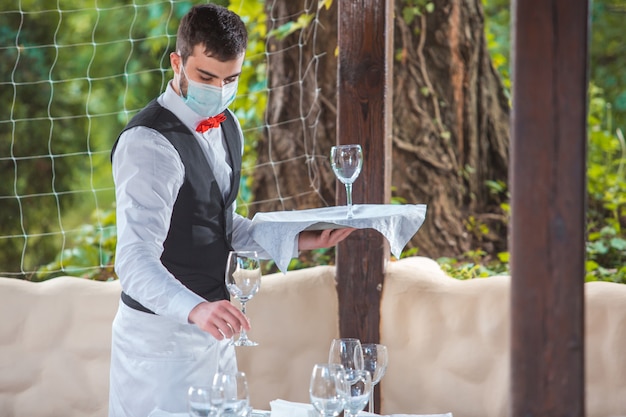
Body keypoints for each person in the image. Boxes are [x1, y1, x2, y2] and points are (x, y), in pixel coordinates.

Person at [108, 4, 353, 416]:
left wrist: (297, 238)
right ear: (177, 62)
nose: (219, 90)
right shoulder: (147, 144)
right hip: (160, 343)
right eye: (206, 77)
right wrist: (197, 308)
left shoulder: (228, 126)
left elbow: (219, 226)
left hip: (215, 336)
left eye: (231, 79)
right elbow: (133, 261)